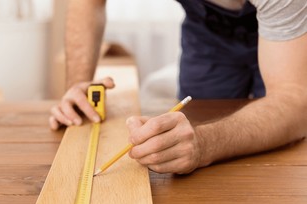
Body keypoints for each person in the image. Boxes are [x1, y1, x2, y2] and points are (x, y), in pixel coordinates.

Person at [49, 0, 307, 174]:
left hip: (294, 26)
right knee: (194, 133)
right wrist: (78, 84)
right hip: (207, 31)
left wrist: (205, 144)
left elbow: (295, 102)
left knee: (284, 158)